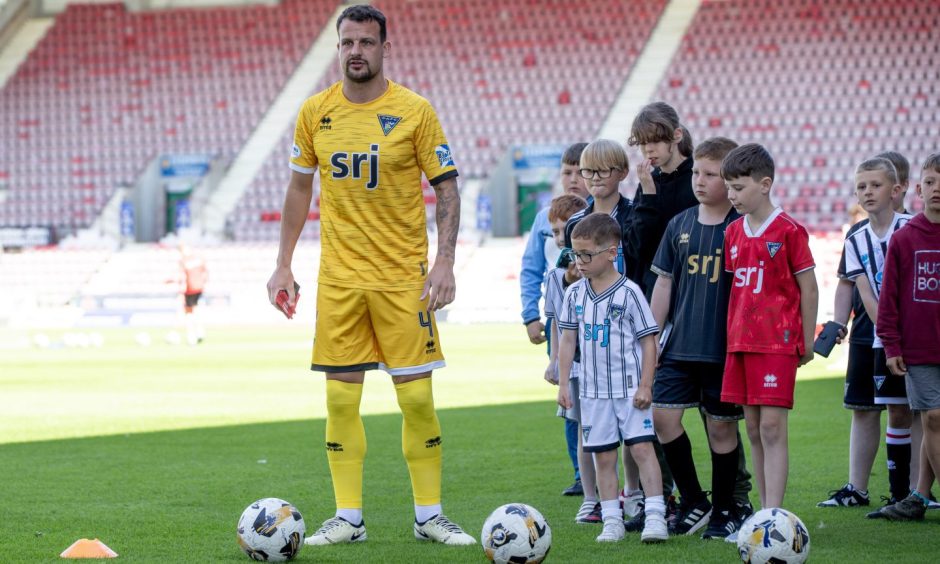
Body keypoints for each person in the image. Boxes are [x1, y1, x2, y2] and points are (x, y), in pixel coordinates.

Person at [265, 5, 473, 546]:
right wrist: (283, 263)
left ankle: (430, 516)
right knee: (339, 400)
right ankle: (348, 519)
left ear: (385, 48)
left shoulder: (415, 111)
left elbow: (447, 187)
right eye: (347, 42)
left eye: (366, 42)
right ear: (338, 48)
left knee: (417, 400)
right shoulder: (314, 112)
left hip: (403, 279)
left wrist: (445, 260)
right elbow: (297, 189)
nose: (356, 51)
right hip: (338, 280)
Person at [649, 137, 752, 540]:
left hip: (723, 349)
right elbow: (663, 285)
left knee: (722, 430)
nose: (700, 180)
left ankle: (726, 508)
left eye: (711, 174)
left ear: (729, 179)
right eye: (696, 172)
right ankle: (694, 500)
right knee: (663, 418)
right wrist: (652, 339)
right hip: (678, 347)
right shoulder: (680, 223)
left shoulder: (740, 228)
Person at [562, 139, 668, 523]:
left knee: (632, 422)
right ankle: (592, 498)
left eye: (602, 171)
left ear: (621, 173)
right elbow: (566, 277)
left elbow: (644, 256)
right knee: (588, 422)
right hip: (586, 332)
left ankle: (635, 495)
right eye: (587, 172)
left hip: (627, 325)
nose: (593, 179)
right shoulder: (577, 222)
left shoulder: (633, 213)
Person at [720, 143, 818, 511]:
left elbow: (808, 287)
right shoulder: (732, 232)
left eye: (739, 187)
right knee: (753, 429)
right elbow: (734, 290)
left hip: (777, 342)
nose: (732, 195)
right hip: (740, 343)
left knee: (773, 427)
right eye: (728, 187)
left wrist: (807, 340)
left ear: (765, 184)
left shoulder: (790, 230)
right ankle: (762, 512)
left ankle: (775, 514)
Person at [819, 157, 913, 512]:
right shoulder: (856, 236)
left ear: (896, 190)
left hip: (908, 335)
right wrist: (838, 322)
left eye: (875, 185)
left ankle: (917, 490)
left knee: (909, 411)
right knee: (864, 408)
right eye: (862, 186)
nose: (868, 192)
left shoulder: (911, 229)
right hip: (869, 333)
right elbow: (853, 284)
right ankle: (857, 488)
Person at [519, 142, 591, 497]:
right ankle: (581, 473)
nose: (574, 179)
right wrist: (530, 314)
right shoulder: (543, 218)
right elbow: (531, 266)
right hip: (558, 317)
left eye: (581, 171)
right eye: (567, 172)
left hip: (598, 316)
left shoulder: (602, 217)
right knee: (569, 394)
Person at [872, 152, 940, 521]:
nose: (936, 190)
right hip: (920, 349)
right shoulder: (905, 238)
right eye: (930, 182)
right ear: (918, 188)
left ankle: (918, 495)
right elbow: (890, 299)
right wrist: (892, 344)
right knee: (933, 417)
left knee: (936, 421)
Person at [542, 193, 601, 522]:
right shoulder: (556, 275)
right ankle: (590, 496)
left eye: (565, 227)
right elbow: (556, 320)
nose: (560, 236)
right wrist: (553, 360)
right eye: (554, 231)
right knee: (583, 430)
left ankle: (633, 493)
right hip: (577, 363)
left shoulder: (600, 266)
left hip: (608, 359)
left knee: (630, 432)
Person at [626, 102, 697, 299]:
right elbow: (635, 248)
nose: (648, 150)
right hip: (652, 291)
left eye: (655, 141)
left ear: (676, 135)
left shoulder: (698, 178)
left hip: (692, 288)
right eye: (642, 143)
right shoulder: (648, 182)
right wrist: (649, 196)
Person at [178, 243, 207, 346]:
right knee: (196, 312)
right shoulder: (199, 259)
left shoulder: (184, 261)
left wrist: (181, 292)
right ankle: (199, 333)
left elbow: (182, 277)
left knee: (190, 314)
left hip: (190, 290)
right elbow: (205, 273)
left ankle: (192, 336)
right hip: (198, 289)